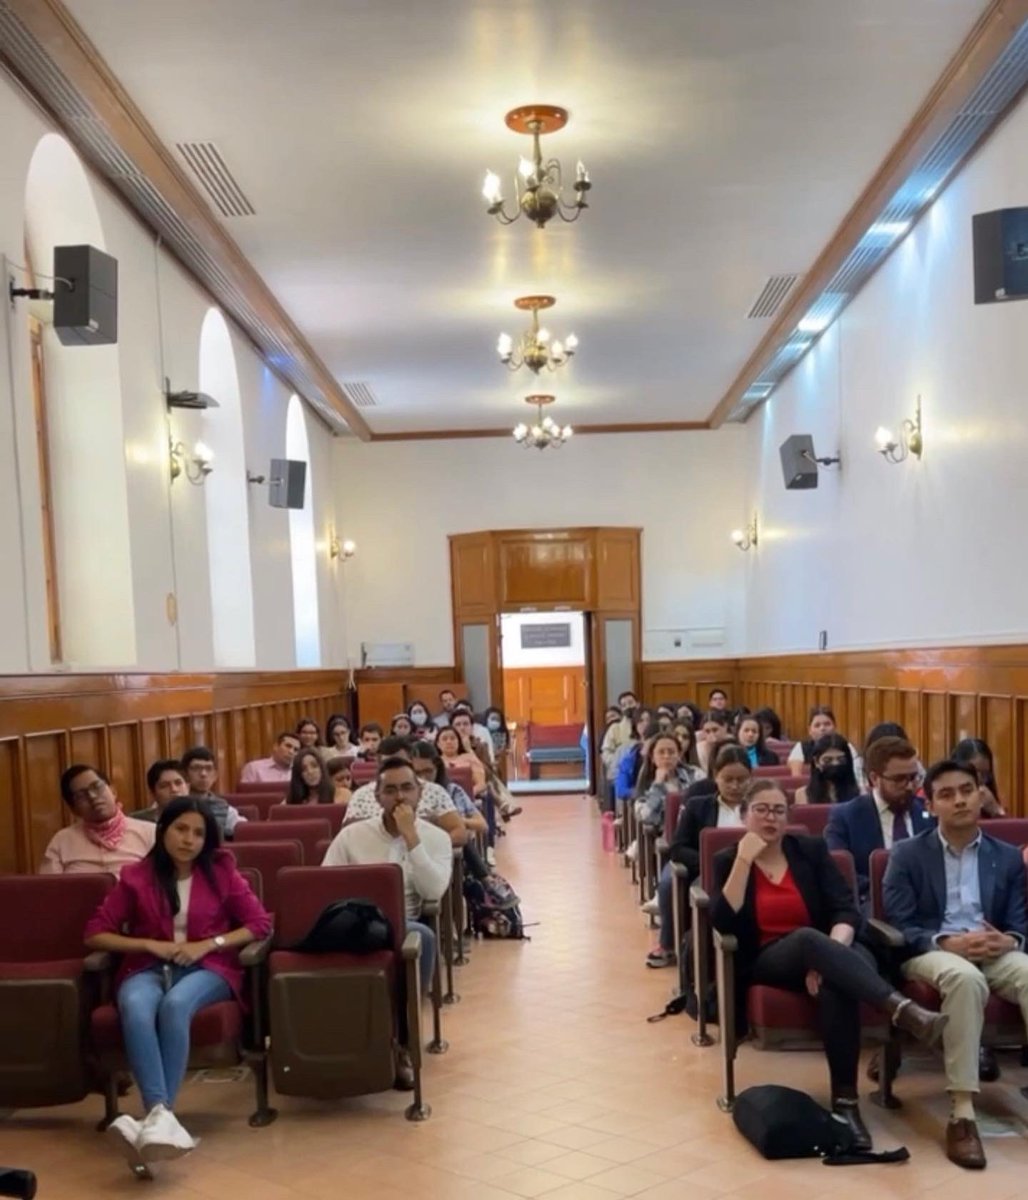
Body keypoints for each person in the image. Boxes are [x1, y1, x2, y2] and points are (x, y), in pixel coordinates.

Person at [712, 780, 947, 1150]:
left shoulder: (809, 850)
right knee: (807, 938)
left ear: (789, 817)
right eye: (760, 809)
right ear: (744, 815)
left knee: (836, 983)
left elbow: (844, 909)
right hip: (771, 958)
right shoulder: (728, 859)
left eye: (778, 810)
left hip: (833, 952)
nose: (770, 817)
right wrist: (744, 858)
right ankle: (903, 1009)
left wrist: (828, 957)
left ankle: (846, 1107)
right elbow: (724, 923)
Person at [84, 797, 271, 1164]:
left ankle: (157, 1116)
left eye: (198, 833)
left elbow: (259, 924)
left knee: (175, 1006)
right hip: (146, 967)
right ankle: (161, 1118)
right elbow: (95, 933)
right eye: (181, 829)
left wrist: (208, 945)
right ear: (163, 830)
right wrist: (149, 944)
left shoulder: (221, 872)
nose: (189, 839)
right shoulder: (137, 877)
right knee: (135, 1008)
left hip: (209, 968)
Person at [884, 759, 1028, 1169]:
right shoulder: (907, 854)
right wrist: (948, 941)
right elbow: (900, 925)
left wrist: (1009, 940)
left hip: (992, 949)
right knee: (964, 979)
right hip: (932, 952)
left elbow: (1019, 923)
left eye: (967, 790)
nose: (960, 800)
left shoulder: (1007, 856)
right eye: (946, 794)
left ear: (981, 794)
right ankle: (963, 1113)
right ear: (929, 805)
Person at [322, 757, 453, 1005]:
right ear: (377, 797)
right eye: (390, 790)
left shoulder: (437, 838)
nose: (400, 797)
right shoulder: (352, 835)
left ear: (420, 792)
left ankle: (407, 1023)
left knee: (423, 936)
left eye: (407, 788)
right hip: (352, 918)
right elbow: (326, 881)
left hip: (401, 923)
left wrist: (412, 839)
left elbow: (433, 891)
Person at [647, 746, 752, 968]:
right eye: (728, 779)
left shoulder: (758, 808)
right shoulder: (698, 806)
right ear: (715, 776)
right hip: (709, 873)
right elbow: (678, 847)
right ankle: (696, 954)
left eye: (742, 780)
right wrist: (709, 862)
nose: (735, 786)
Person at [825, 736, 933, 907]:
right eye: (899, 779)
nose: (910, 786)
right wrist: (893, 890)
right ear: (875, 778)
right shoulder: (845, 816)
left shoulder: (929, 813)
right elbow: (841, 872)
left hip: (926, 905)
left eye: (914, 777)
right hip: (873, 903)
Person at [346, 736, 467, 847]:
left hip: (423, 856)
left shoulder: (433, 791)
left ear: (411, 761)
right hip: (375, 858)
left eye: (399, 763)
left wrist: (425, 846)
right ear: (378, 763)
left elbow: (460, 833)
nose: (394, 769)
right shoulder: (362, 795)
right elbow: (348, 836)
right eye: (387, 765)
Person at [40, 764, 155, 877]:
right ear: (73, 809)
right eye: (81, 795)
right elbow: (49, 890)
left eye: (97, 787)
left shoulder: (151, 833)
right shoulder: (62, 841)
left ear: (113, 791)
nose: (92, 796)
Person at [410, 741, 492, 881]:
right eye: (417, 773)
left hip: (449, 850)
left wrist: (454, 820)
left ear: (437, 768)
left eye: (428, 771)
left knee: (461, 837)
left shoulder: (452, 790)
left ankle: (484, 881)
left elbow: (482, 825)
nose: (423, 778)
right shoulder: (402, 795)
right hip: (414, 848)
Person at [180, 747, 246, 840]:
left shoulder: (223, 808)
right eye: (196, 768)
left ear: (215, 776)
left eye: (208, 768)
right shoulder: (173, 803)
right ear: (185, 774)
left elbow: (246, 830)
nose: (203, 774)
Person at [788, 706, 858, 777]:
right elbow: (797, 777)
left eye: (827, 724)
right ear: (809, 730)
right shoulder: (801, 747)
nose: (822, 728)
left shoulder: (846, 746)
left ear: (835, 727)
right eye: (817, 725)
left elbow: (857, 774)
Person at [795, 733, 861, 806]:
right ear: (816, 762)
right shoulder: (802, 795)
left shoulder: (861, 793)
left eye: (841, 760)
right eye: (827, 760)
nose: (835, 763)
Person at [951, 738, 1005, 817]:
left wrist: (996, 810)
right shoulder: (947, 800)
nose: (980, 780)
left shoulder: (987, 799)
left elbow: (1007, 828)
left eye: (984, 774)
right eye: (974, 772)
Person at [697, 709, 732, 774]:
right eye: (707, 731)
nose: (711, 735)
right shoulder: (698, 750)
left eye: (715, 730)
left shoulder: (733, 745)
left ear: (725, 727)